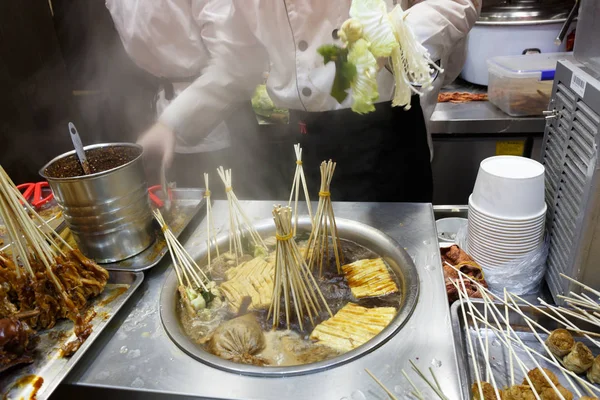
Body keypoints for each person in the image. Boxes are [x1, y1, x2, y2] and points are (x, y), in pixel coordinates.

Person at [135, 0, 480, 202]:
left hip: (382, 138)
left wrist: (401, 41)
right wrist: (173, 122)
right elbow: (240, 61)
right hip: (300, 143)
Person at [105, 0, 259, 190]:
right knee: (181, 200)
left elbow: (239, 61)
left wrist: (171, 122)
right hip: (162, 109)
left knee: (234, 196)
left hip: (224, 104)